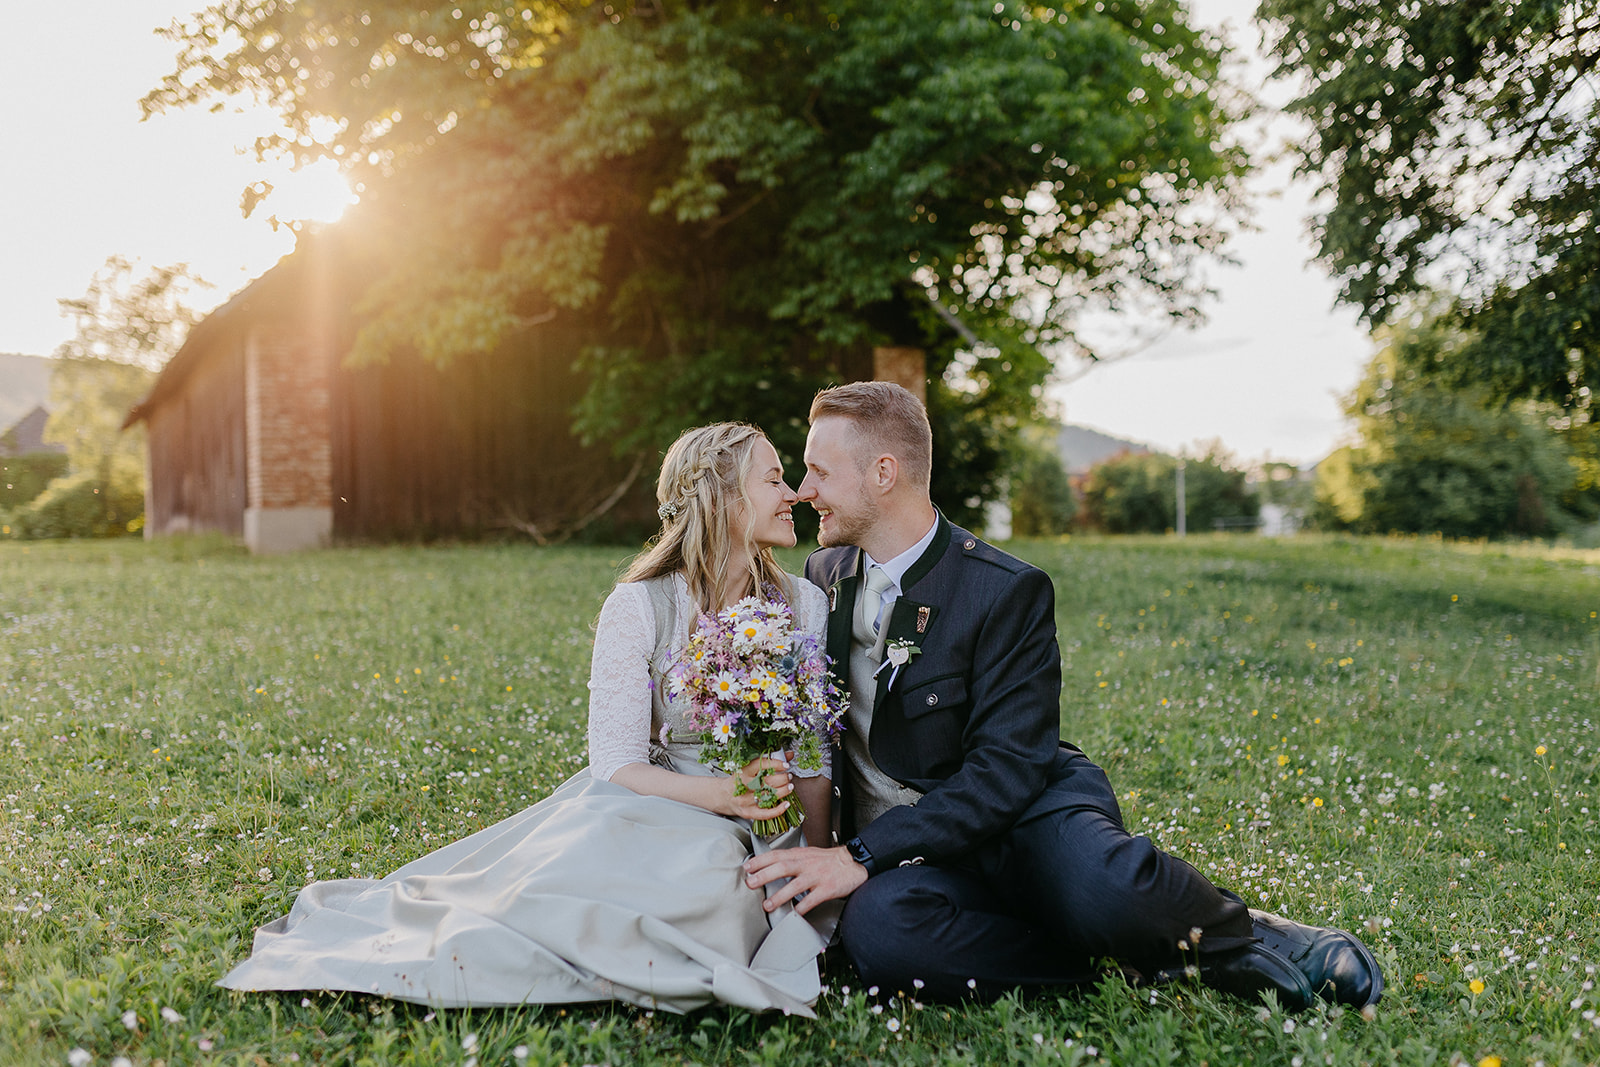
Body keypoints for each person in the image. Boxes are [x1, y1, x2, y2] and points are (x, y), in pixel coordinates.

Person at [744, 382, 1383, 1012]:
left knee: (1104, 890)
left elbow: (1007, 770)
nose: (804, 491)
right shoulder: (823, 578)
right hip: (914, 859)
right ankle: (1111, 957)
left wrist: (857, 856)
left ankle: (1245, 934)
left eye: (819, 472)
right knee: (881, 936)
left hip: (1020, 815)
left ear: (883, 473)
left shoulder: (1005, 590)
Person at [219, 423, 838, 1015]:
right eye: (774, 479)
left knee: (719, 894)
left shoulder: (804, 602)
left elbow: (812, 754)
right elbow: (616, 764)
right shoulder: (639, 606)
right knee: (594, 892)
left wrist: (812, 855)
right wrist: (720, 794)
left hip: (765, 817)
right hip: (657, 802)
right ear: (722, 497)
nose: (792, 496)